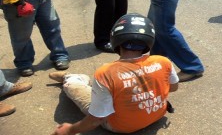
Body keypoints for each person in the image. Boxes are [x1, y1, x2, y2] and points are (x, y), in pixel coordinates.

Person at [50, 13, 179, 135]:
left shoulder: (106, 73)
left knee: (75, 88)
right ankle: (86, 82)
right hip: (157, 115)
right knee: (108, 89)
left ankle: (71, 78)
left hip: (120, 127)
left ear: (115, 39)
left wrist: (69, 130)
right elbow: (173, 87)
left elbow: (97, 119)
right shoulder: (163, 61)